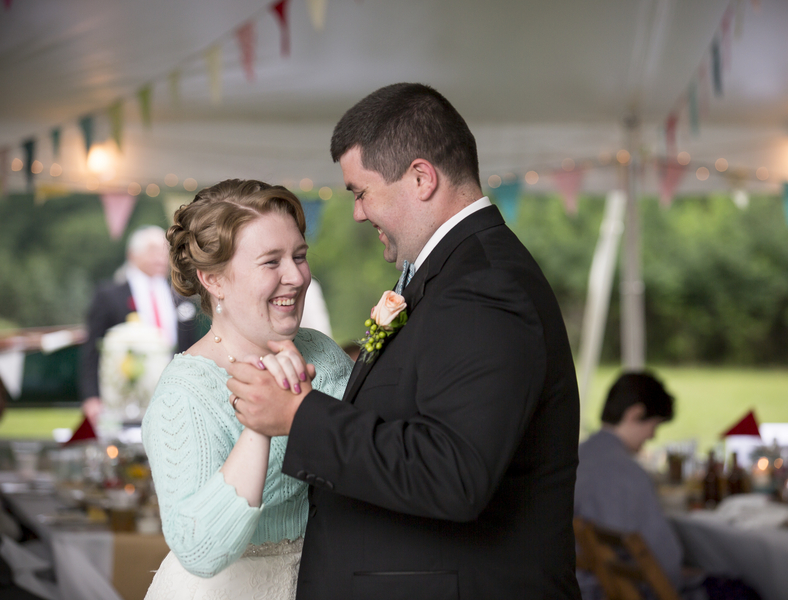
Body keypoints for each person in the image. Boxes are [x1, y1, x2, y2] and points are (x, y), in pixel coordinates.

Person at [228, 83, 581, 599]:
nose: (357, 212)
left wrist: (297, 416)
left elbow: (453, 471)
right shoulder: (450, 274)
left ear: (421, 178)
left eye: (360, 192)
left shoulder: (482, 286)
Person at [141, 180, 353, 600]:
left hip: (320, 581)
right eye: (271, 261)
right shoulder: (182, 394)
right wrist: (260, 424)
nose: (295, 276)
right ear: (214, 280)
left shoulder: (324, 356)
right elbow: (200, 550)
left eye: (299, 255)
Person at [574, 372, 681, 598]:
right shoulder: (628, 474)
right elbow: (667, 566)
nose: (652, 436)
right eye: (655, 425)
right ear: (636, 413)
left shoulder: (574, 456)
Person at [80, 225, 200, 423]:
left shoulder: (182, 299)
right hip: (125, 397)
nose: (160, 256)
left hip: (174, 396)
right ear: (132, 254)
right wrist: (91, 397)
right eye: (153, 249)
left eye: (165, 250)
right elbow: (92, 349)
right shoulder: (109, 296)